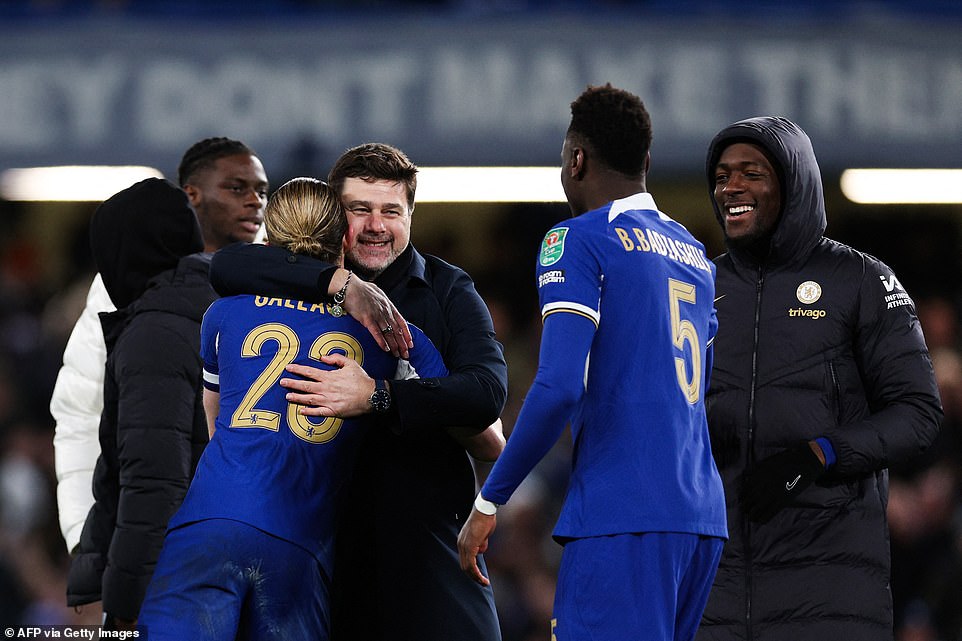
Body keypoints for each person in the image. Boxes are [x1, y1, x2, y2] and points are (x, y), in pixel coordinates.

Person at [138, 177, 500, 640]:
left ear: (269, 242)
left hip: (209, 525)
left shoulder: (223, 313)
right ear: (345, 241)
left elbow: (214, 423)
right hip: (300, 549)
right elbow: (485, 436)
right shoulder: (391, 333)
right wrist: (380, 395)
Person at [457, 83, 728, 641]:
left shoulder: (577, 241)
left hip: (623, 515)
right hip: (700, 518)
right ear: (646, 162)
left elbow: (558, 387)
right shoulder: (696, 255)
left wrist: (490, 501)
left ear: (576, 159)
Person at [695, 116, 943, 641]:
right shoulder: (695, 287)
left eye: (751, 173)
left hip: (831, 585)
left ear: (793, 183)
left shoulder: (862, 281)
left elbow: (918, 413)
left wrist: (820, 454)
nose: (730, 187)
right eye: (721, 176)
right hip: (715, 583)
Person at [50, 136, 270, 555]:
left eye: (261, 190)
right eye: (237, 188)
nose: (255, 202)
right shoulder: (119, 285)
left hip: (256, 525)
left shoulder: (282, 283)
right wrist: (83, 539)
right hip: (153, 526)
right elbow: (81, 410)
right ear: (192, 194)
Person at [64, 178, 217, 630]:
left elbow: (153, 487)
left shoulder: (156, 334)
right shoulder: (213, 306)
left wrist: (125, 611)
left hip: (178, 583)